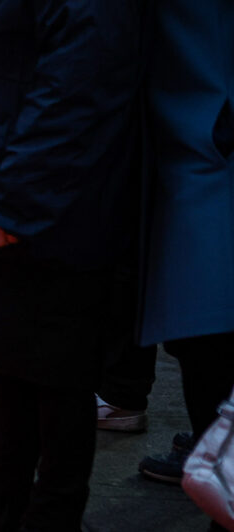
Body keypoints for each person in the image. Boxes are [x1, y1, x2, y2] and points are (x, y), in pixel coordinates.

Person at [0, 1, 143, 530]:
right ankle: (1, 498)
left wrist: (17, 196)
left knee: (57, 368)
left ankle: (53, 513)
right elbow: (19, 51)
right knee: (6, 353)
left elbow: (75, 89)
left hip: (50, 202)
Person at [135, 0, 234, 499]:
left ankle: (219, 459)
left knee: (207, 336)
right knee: (200, 334)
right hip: (194, 143)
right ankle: (213, 451)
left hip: (205, 145)